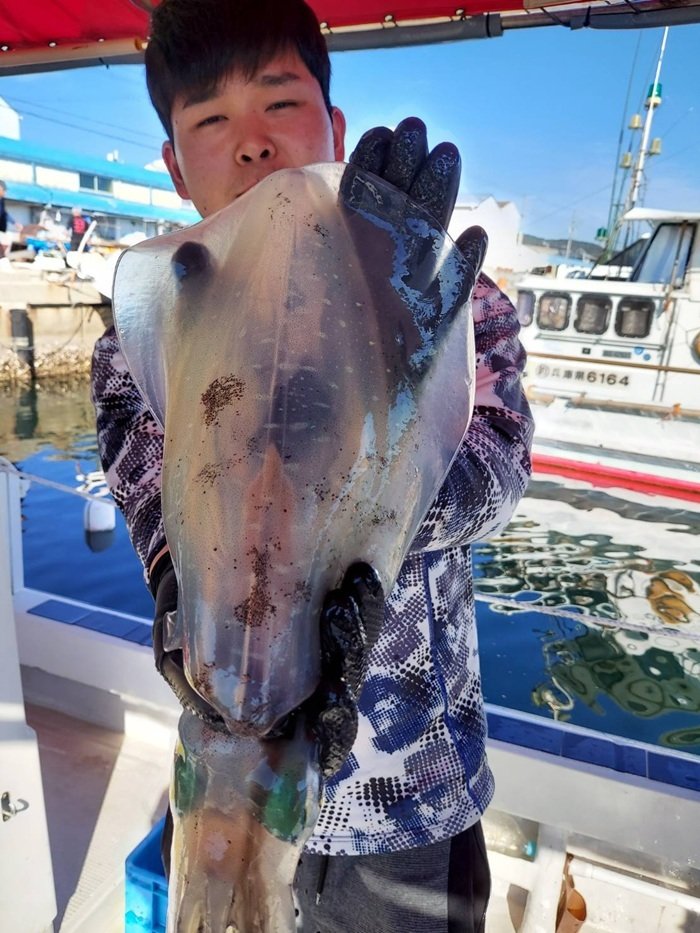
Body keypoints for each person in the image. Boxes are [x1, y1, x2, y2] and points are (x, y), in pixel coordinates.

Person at [90, 1, 534, 930]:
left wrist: (379, 448)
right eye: (211, 118)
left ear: (333, 124)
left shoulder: (436, 290)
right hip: (226, 768)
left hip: (408, 792)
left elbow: (498, 465)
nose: (251, 141)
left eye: (279, 102)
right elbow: (145, 488)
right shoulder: (153, 325)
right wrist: (177, 595)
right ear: (174, 163)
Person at [0, 179, 22, 257]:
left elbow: (4, 213)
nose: (5, 193)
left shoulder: (1, 200)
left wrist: (15, 223)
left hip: (2, 230)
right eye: (4, 190)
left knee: (6, 245)